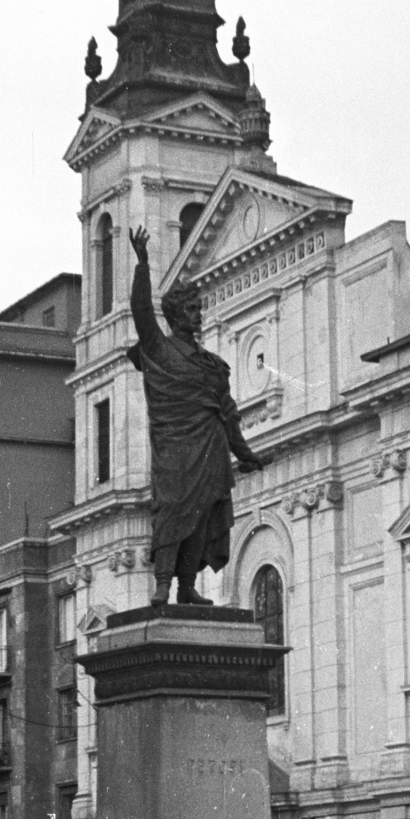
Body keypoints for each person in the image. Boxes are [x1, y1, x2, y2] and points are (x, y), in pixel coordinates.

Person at [127, 225, 267, 607]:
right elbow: (141, 312)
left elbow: (228, 414)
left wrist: (246, 454)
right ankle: (162, 584)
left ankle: (186, 586)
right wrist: (143, 265)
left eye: (199, 309)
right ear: (175, 316)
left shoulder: (212, 365)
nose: (198, 315)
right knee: (172, 511)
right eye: (191, 310)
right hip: (174, 449)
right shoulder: (159, 350)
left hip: (210, 449)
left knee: (202, 516)